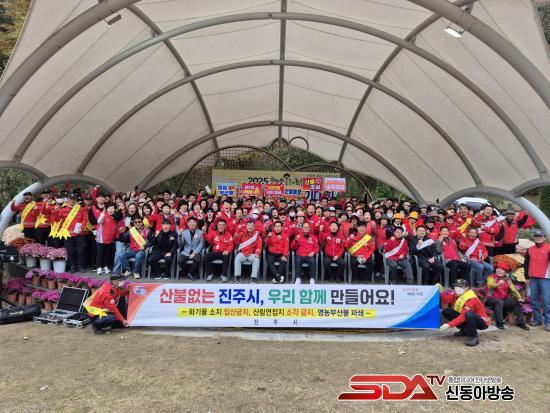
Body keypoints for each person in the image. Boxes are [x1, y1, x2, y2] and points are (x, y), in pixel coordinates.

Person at [440, 279, 491, 346]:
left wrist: (449, 324)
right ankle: (464, 330)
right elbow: (447, 300)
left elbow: (463, 316)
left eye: (461, 287)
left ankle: (473, 337)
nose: (458, 288)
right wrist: (440, 292)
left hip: (482, 322)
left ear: (466, 288)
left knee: (469, 314)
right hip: (468, 318)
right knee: (446, 311)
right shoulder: (457, 294)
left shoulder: (471, 298)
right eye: (456, 286)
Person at [485, 262, 529, 330]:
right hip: (491, 299)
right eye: (498, 268)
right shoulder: (491, 277)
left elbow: (513, 290)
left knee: (515, 302)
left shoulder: (507, 280)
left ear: (505, 272)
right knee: (499, 302)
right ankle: (499, 323)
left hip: (502, 299)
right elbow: (490, 285)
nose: (499, 270)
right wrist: (497, 284)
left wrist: (519, 298)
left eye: (502, 269)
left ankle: (520, 322)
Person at [524, 230, 550, 331]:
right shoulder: (530, 249)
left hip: (545, 278)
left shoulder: (549, 248)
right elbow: (526, 263)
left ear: (545, 237)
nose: (538, 238)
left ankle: (548, 322)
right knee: (534, 300)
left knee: (547, 301)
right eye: (537, 236)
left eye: (540, 236)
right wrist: (526, 277)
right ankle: (537, 319)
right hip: (533, 278)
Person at [58, 193, 86, 273]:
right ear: (67, 200)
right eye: (70, 199)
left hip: (79, 233)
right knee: (70, 251)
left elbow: (85, 219)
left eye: (74, 199)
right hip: (68, 234)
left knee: (81, 251)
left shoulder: (81, 209)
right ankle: (72, 267)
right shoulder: (62, 210)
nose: (72, 200)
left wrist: (81, 228)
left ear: (76, 200)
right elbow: (59, 221)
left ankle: (80, 266)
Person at [233, 219, 262, 284]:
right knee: (237, 258)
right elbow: (235, 241)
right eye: (249, 225)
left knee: (256, 260)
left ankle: (253, 279)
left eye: (252, 226)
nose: (250, 227)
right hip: (242, 253)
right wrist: (238, 231)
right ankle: (237, 279)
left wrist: (257, 253)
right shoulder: (241, 233)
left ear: (254, 227)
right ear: (246, 226)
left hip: (252, 254)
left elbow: (259, 246)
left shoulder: (257, 236)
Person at [178, 217, 204, 281]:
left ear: (196, 223)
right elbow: (180, 244)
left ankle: (189, 273)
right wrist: (180, 236)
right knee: (180, 261)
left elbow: (201, 244)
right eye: (190, 222)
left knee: (197, 259)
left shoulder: (200, 232)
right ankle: (189, 273)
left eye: (194, 222)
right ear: (188, 224)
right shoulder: (184, 232)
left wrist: (194, 253)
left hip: (196, 251)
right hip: (186, 251)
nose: (192, 224)